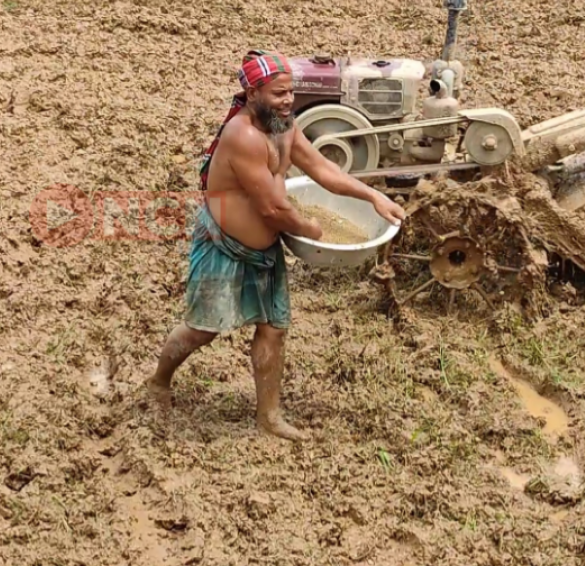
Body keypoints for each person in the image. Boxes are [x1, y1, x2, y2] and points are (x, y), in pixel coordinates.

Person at [145, 50, 406, 442]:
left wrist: (372, 196)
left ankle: (269, 416)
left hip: (265, 252)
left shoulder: (286, 127)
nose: (287, 101)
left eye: (290, 93)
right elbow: (272, 206)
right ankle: (159, 382)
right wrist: (313, 229)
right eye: (278, 93)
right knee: (202, 330)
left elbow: (323, 170)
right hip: (224, 246)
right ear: (252, 93)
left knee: (273, 330)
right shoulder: (243, 137)